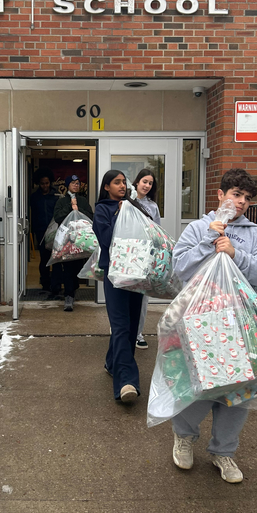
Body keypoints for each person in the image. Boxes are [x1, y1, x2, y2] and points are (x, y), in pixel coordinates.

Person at [170, 168, 257, 483]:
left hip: (242, 321)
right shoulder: (198, 227)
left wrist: (236, 253)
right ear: (220, 195)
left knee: (241, 388)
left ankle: (223, 452)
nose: (241, 202)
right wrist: (207, 240)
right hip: (202, 320)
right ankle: (184, 437)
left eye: (246, 198)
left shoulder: (255, 233)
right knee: (203, 383)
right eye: (235, 194)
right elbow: (179, 268)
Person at [93, 169, 151, 403]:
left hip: (137, 274)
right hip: (115, 275)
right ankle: (127, 381)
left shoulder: (135, 207)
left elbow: (149, 233)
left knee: (130, 324)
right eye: (116, 183)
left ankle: (111, 362)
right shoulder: (103, 209)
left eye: (123, 183)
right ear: (106, 186)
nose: (122, 186)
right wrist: (119, 214)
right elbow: (106, 240)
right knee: (120, 327)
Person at [52, 174, 93, 312]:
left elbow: (90, 216)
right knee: (68, 267)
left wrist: (78, 209)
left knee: (78, 267)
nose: (76, 185)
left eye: (78, 183)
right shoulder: (62, 201)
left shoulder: (82, 200)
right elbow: (58, 217)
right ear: (68, 185)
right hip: (67, 241)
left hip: (81, 240)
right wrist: (70, 207)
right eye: (73, 183)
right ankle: (68, 296)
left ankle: (73, 289)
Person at [132, 168, 161, 350]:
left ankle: (138, 333)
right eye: (144, 181)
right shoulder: (126, 201)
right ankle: (120, 328)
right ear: (137, 182)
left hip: (145, 255)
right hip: (128, 252)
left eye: (150, 183)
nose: (147, 186)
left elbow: (157, 231)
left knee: (142, 296)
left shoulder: (153, 206)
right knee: (124, 293)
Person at [29, 168, 61, 295]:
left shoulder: (56, 196)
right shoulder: (34, 197)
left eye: (47, 183)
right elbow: (33, 214)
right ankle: (45, 283)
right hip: (41, 231)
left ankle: (56, 284)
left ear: (50, 182)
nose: (45, 186)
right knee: (44, 258)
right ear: (38, 183)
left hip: (56, 231)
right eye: (42, 183)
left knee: (57, 258)